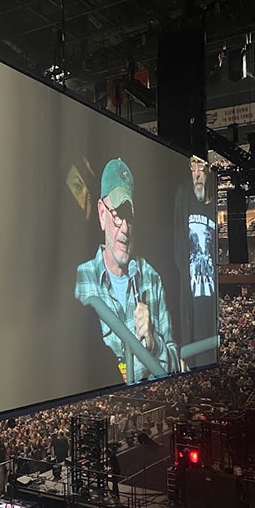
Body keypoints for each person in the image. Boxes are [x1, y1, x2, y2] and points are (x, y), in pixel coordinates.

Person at [75, 158, 180, 383]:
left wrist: (153, 342)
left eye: (129, 217)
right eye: (117, 215)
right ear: (102, 213)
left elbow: (174, 362)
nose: (124, 229)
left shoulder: (152, 279)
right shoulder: (80, 280)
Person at [174, 155, 217, 368]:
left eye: (201, 167)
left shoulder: (217, 200)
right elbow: (178, 250)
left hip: (211, 305)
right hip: (190, 299)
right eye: (193, 167)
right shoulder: (183, 198)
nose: (197, 173)